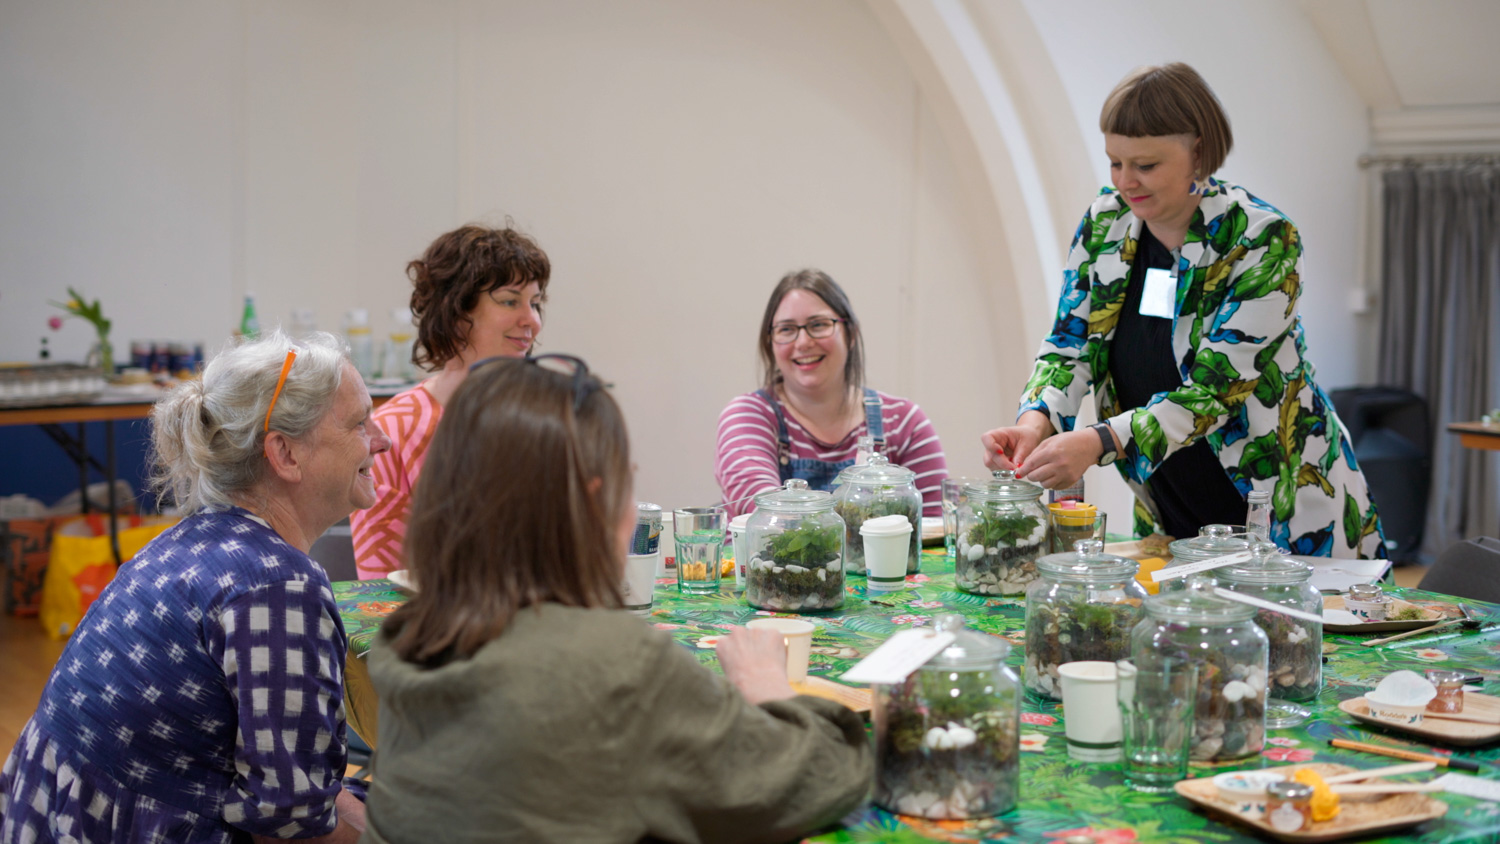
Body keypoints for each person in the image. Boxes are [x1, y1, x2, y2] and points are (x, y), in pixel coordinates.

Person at [362, 356, 872, 844]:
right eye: (628, 484)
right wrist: (767, 686)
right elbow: (826, 772)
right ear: (592, 500)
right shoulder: (615, 666)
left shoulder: (407, 639)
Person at [981, 63, 1385, 557]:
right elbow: (1069, 346)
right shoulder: (1105, 223)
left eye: (1145, 166)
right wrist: (1034, 421)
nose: (1127, 182)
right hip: (1172, 505)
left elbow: (1215, 391)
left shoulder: (1260, 238)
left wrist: (1098, 442)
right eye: (1115, 163)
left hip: (1282, 509)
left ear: (1198, 151)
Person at [0, 331, 390, 843]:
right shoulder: (277, 587)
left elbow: (293, 779)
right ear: (286, 454)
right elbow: (292, 823)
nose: (381, 439)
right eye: (360, 422)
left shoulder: (193, 539)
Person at [350, 224, 550, 578]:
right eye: (510, 301)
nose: (531, 321)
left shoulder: (546, 417)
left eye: (535, 303)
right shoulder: (394, 430)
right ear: (456, 311)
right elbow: (382, 587)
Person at [716, 269, 947, 518]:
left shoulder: (904, 421)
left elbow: (933, 531)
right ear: (769, 343)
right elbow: (768, 514)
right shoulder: (748, 415)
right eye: (786, 329)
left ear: (851, 334)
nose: (803, 342)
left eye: (818, 325)